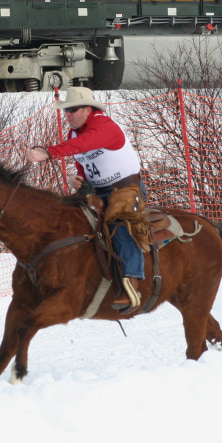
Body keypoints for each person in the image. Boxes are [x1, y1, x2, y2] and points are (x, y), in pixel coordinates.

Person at [26, 87, 145, 311]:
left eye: (73, 109)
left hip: (126, 188)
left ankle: (132, 281)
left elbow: (84, 145)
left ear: (88, 109)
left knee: (118, 221)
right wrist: (81, 178)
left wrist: (48, 152)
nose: (68, 114)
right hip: (97, 190)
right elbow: (81, 159)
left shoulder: (102, 124)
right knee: (70, 220)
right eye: (66, 111)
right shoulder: (75, 132)